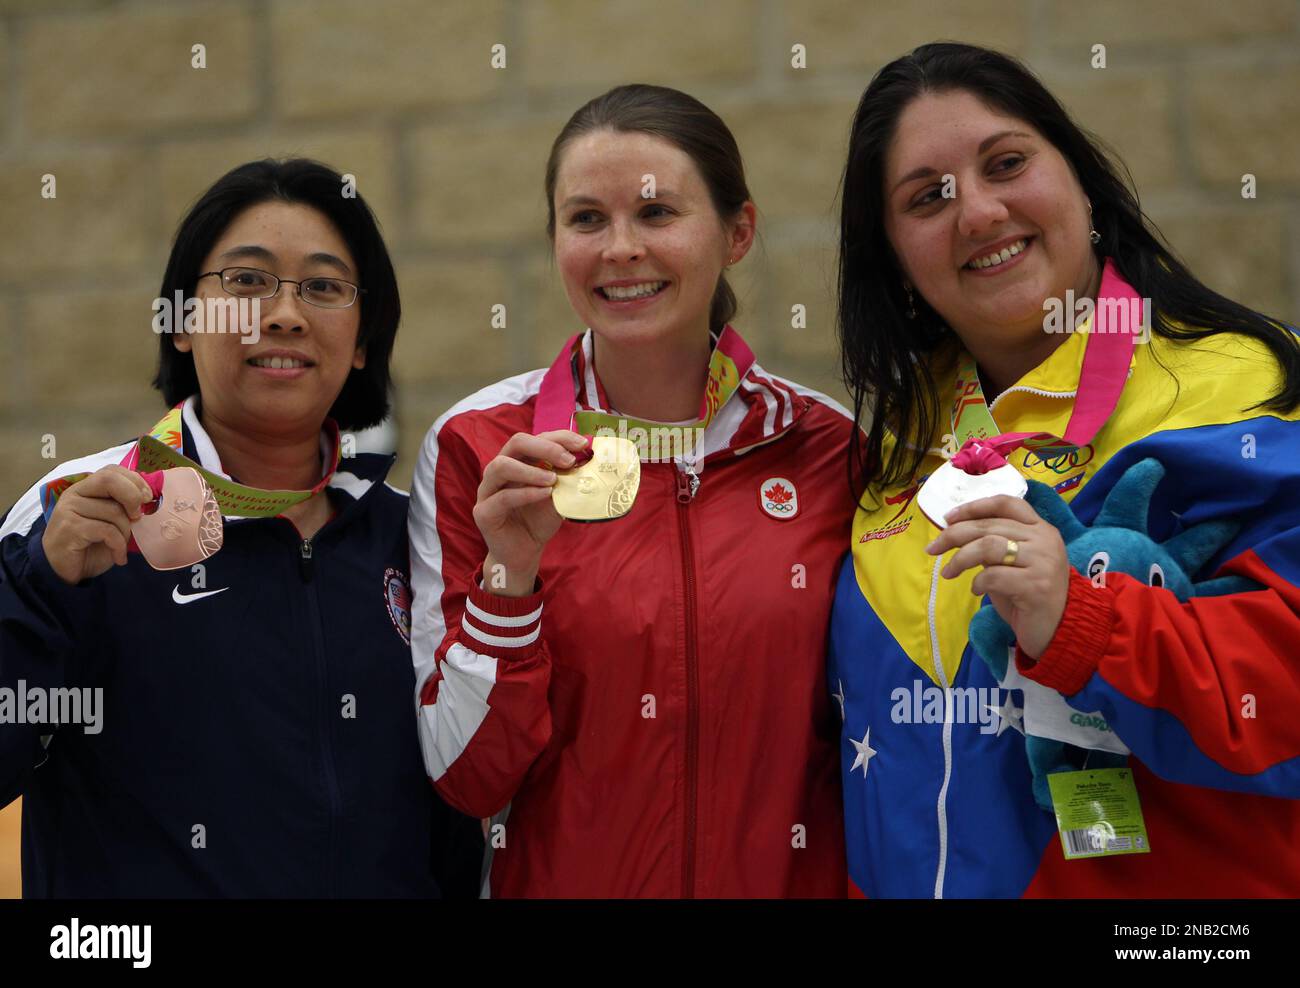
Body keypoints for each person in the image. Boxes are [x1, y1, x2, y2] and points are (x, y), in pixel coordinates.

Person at [829, 42, 1300, 897]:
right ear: (894, 254)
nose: (975, 212)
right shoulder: (890, 451)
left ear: (1082, 182)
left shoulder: (1252, 389)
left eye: (1006, 164)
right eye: (926, 198)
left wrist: (1083, 622)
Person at [409, 84, 858, 897]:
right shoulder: (479, 448)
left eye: (656, 215)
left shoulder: (827, 446)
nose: (619, 248)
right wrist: (509, 580)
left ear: (738, 232)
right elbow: (467, 778)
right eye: (586, 219)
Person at [0, 158, 481, 897]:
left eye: (323, 288)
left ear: (361, 342)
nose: (284, 314)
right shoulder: (74, 513)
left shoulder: (413, 534)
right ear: (183, 322)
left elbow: (460, 809)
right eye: (247, 282)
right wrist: (43, 589)